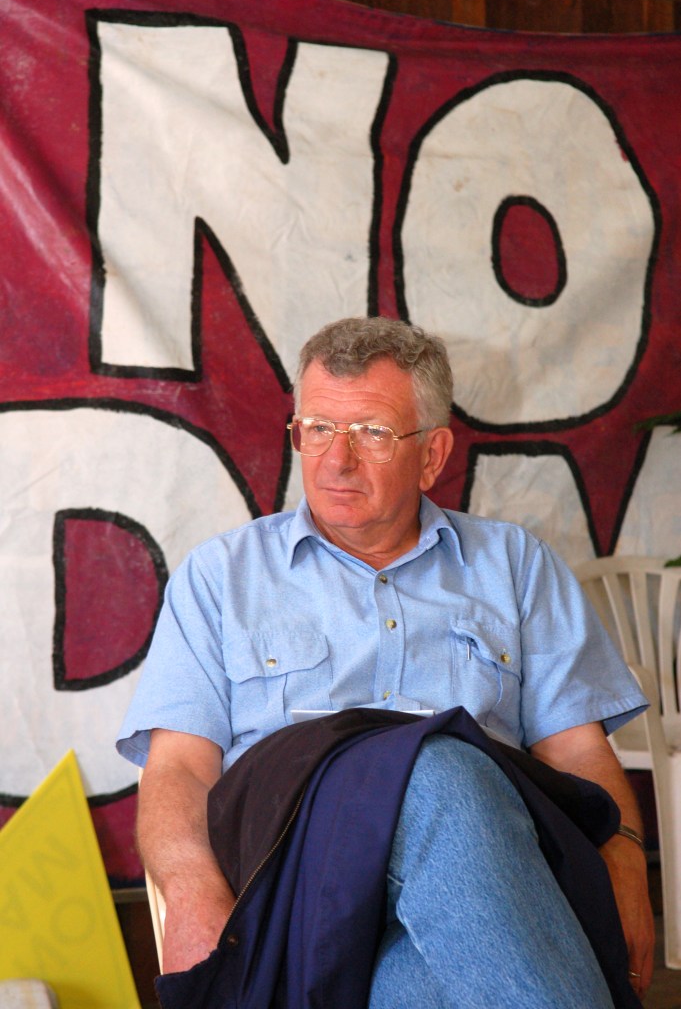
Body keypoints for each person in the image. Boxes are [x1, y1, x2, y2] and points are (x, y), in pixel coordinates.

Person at [117, 316, 654, 1007]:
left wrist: (625, 858)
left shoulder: (514, 565)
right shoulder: (221, 575)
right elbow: (179, 768)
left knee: (427, 970)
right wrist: (190, 890)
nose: (335, 461)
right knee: (436, 764)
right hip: (296, 883)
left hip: (492, 877)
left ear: (431, 454)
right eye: (315, 429)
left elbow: (577, 748)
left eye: (370, 432)